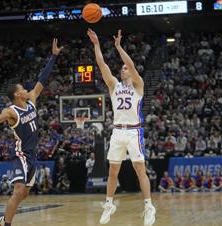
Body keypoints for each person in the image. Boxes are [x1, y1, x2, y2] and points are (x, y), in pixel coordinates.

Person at [0, 38, 63, 226]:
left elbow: (43, 78)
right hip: (21, 154)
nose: (28, 90)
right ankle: (7, 224)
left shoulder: (32, 100)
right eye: (24, 89)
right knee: (18, 190)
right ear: (17, 95)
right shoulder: (11, 111)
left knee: (24, 193)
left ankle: (2, 219)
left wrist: (54, 56)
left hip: (32, 155)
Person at [87, 29, 156, 226]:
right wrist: (97, 44)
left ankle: (149, 206)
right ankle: (109, 204)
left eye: (125, 68)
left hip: (134, 130)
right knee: (112, 172)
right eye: (122, 68)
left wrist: (118, 47)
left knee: (140, 170)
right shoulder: (114, 86)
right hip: (117, 131)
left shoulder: (138, 85)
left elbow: (133, 66)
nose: (123, 69)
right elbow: (102, 65)